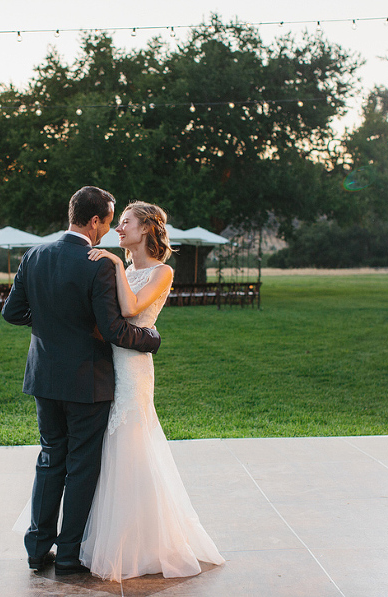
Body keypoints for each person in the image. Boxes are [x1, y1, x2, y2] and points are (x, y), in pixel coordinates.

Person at [2, 186, 163, 576]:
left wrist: (50, 327)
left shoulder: (34, 254)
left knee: (49, 459)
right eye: (108, 222)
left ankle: (37, 549)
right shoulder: (100, 264)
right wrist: (151, 339)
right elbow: (113, 330)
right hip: (87, 382)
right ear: (95, 221)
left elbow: (12, 312)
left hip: (44, 377)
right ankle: (70, 555)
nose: (108, 231)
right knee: (81, 466)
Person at [79, 201, 225, 580]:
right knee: (111, 447)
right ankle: (114, 534)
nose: (117, 229)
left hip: (133, 369)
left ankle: (140, 545)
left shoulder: (162, 272)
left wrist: (111, 264)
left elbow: (130, 309)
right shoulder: (128, 267)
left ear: (145, 229)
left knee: (131, 442)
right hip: (110, 364)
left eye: (124, 222)